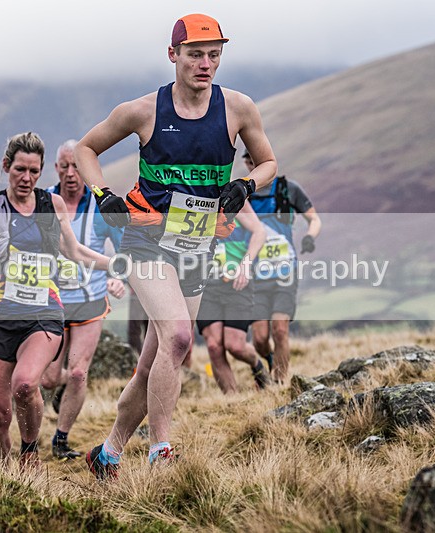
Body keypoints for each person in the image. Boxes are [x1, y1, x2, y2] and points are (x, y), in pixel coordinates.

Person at [76, 13, 277, 479]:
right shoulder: (143, 111)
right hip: (145, 239)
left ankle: (107, 454)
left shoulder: (238, 108)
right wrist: (103, 194)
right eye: (195, 55)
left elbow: (268, 162)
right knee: (181, 337)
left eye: (214, 55)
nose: (205, 64)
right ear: (173, 55)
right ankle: (161, 450)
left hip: (196, 244)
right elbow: (87, 149)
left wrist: (245, 185)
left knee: (157, 361)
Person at [0, 132, 110, 469]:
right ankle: (0, 481)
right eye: (20, 170)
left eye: (34, 171)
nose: (27, 178)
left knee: (26, 384)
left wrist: (114, 264)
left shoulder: (52, 205)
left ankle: (29, 452)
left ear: (42, 171)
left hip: (44, 313)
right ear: (6, 166)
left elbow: (74, 251)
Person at [38, 139, 125, 461]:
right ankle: (61, 386)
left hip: (91, 299)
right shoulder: (43, 201)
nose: (71, 173)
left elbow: (124, 248)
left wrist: (119, 278)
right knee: (48, 379)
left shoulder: (100, 205)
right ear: (56, 168)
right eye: (65, 166)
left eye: (77, 166)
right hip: (52, 301)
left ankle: (60, 440)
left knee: (78, 373)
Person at [245, 150, 322, 383]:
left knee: (280, 330)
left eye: (255, 160)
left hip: (285, 273)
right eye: (248, 161)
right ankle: (270, 360)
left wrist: (309, 237)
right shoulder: (243, 193)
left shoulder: (288, 189)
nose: (252, 165)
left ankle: (279, 384)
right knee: (259, 339)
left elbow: (314, 219)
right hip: (255, 277)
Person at [196, 200, 270, 393]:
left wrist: (246, 264)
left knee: (235, 346)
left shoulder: (232, 196)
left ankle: (257, 364)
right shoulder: (189, 194)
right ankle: (233, 400)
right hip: (204, 284)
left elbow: (260, 232)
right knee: (214, 346)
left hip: (237, 282)